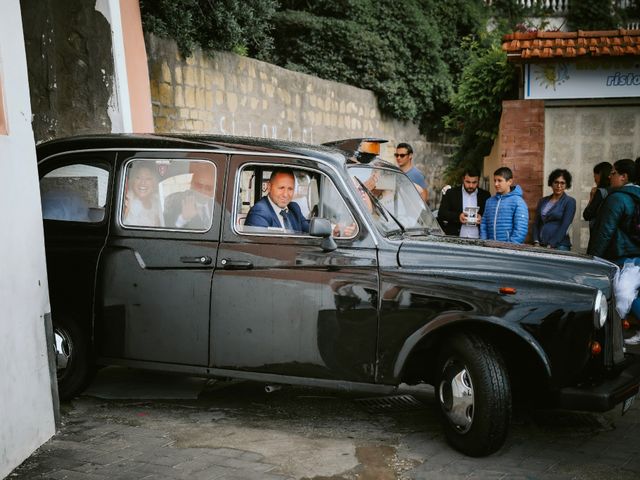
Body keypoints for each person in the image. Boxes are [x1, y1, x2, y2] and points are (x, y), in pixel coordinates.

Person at [587, 158, 640, 345]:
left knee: (620, 296)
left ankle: (611, 342)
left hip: (622, 258)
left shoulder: (617, 198)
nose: (610, 176)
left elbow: (604, 232)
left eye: (614, 172)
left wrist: (592, 259)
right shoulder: (637, 196)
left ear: (624, 177)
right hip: (637, 257)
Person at [244, 168, 310, 233]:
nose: (285, 194)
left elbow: (310, 230)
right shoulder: (259, 212)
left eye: (290, 189)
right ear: (269, 187)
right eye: (281, 188)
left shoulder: (294, 208)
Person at [480, 166, 529, 243]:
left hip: (508, 251)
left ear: (509, 181)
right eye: (494, 180)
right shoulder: (489, 201)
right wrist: (484, 242)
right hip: (489, 248)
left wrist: (508, 247)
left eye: (499, 180)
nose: (496, 184)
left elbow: (520, 230)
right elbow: (484, 224)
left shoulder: (518, 202)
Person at [437, 168, 490, 238]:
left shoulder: (485, 195)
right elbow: (441, 213)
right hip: (455, 239)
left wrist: (482, 218)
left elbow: (489, 217)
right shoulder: (451, 193)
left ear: (478, 180)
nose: (471, 185)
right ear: (463, 179)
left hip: (479, 240)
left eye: (474, 182)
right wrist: (458, 217)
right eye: (468, 182)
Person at [532, 169, 576, 250]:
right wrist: (536, 241)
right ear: (551, 183)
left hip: (560, 246)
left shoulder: (569, 202)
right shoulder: (542, 201)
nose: (559, 186)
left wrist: (551, 244)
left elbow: (565, 226)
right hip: (541, 245)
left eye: (562, 183)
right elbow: (536, 223)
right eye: (556, 182)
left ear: (566, 185)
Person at [164, 161, 215, 229]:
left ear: (214, 190)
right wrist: (183, 218)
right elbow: (165, 233)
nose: (203, 191)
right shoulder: (173, 201)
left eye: (208, 188)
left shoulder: (218, 206)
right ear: (192, 185)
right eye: (199, 185)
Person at [583, 161, 611, 235]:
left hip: (598, 232)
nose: (594, 179)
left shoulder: (600, 192)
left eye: (595, 175)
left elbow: (587, 215)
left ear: (601, 174)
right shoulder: (616, 190)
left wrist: (592, 197)